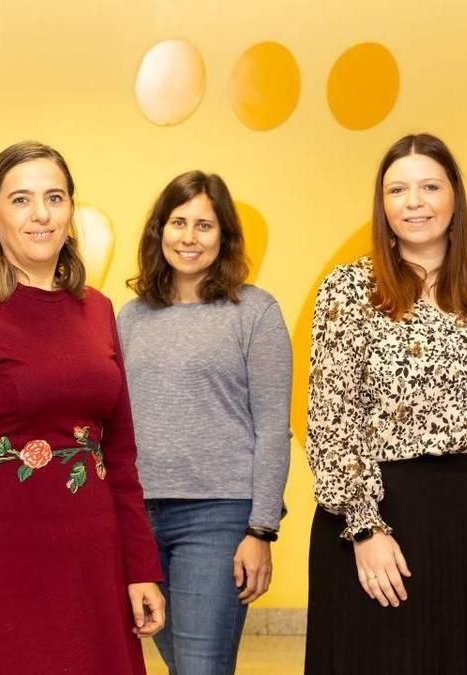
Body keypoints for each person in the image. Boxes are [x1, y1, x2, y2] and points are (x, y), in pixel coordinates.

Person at [304, 133, 467, 674]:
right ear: (382, 204)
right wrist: (365, 527)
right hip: (382, 519)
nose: (413, 202)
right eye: (397, 189)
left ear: (454, 197)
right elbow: (332, 417)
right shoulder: (350, 290)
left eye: (429, 186)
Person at [0, 141, 166, 674]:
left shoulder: (98, 311)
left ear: (71, 210)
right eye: (22, 200)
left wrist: (140, 568)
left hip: (92, 567)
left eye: (54, 197)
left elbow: (121, 459)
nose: (40, 214)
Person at [117, 170, 291, 675]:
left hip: (218, 516)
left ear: (225, 236)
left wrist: (261, 529)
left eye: (204, 225)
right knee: (177, 663)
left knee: (200, 668)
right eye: (178, 222)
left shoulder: (254, 312)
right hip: (138, 516)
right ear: (159, 230)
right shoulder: (130, 317)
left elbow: (272, 428)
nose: (189, 238)